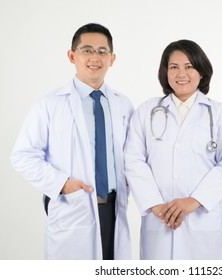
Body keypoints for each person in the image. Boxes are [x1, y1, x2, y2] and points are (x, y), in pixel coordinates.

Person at [10, 23, 133, 260]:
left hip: (113, 208)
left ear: (112, 58)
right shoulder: (50, 104)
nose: (95, 57)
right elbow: (22, 155)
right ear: (72, 55)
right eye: (87, 50)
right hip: (74, 207)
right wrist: (61, 183)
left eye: (102, 51)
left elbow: (133, 155)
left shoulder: (123, 104)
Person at [124, 39, 222, 260]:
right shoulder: (147, 111)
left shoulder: (218, 113)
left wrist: (194, 200)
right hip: (159, 221)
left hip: (202, 221)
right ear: (165, 73)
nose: (182, 74)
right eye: (174, 67)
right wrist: (155, 204)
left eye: (189, 66)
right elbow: (133, 160)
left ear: (201, 71)